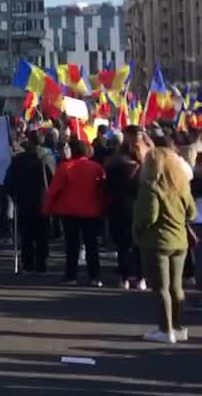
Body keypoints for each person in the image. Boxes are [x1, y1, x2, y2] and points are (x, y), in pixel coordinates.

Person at [134, 146, 197, 343]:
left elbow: (149, 216)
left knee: (161, 287)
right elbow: (192, 213)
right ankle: (178, 327)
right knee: (176, 287)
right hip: (180, 241)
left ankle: (165, 329)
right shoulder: (182, 185)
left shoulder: (150, 186)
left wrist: (138, 227)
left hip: (157, 242)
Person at [42, 140, 106, 286]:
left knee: (72, 245)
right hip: (91, 211)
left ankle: (71, 276)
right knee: (92, 245)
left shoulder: (65, 167)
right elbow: (103, 189)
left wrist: (46, 209)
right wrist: (103, 207)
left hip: (70, 211)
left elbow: (53, 191)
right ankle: (95, 276)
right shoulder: (96, 167)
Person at [3, 130, 56, 275]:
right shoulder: (48, 159)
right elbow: (54, 179)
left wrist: (14, 196)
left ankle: (28, 265)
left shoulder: (18, 160)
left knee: (26, 235)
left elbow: (9, 183)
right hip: (43, 202)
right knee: (42, 235)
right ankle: (41, 265)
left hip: (24, 201)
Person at [108, 126, 150, 290]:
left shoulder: (115, 161)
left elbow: (108, 185)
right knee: (140, 243)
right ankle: (140, 277)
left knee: (123, 243)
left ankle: (124, 277)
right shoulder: (148, 161)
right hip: (142, 205)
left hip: (120, 205)